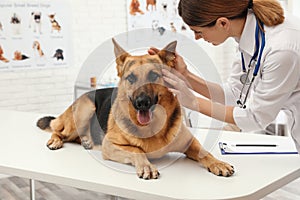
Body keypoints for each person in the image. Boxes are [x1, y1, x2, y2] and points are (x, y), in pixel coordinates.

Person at [148, 0, 300, 153]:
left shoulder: (281, 48)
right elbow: (234, 95)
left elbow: (256, 118)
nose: (197, 38)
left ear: (222, 23)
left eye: (198, 31)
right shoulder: (249, 30)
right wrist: (185, 75)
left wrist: (193, 102)